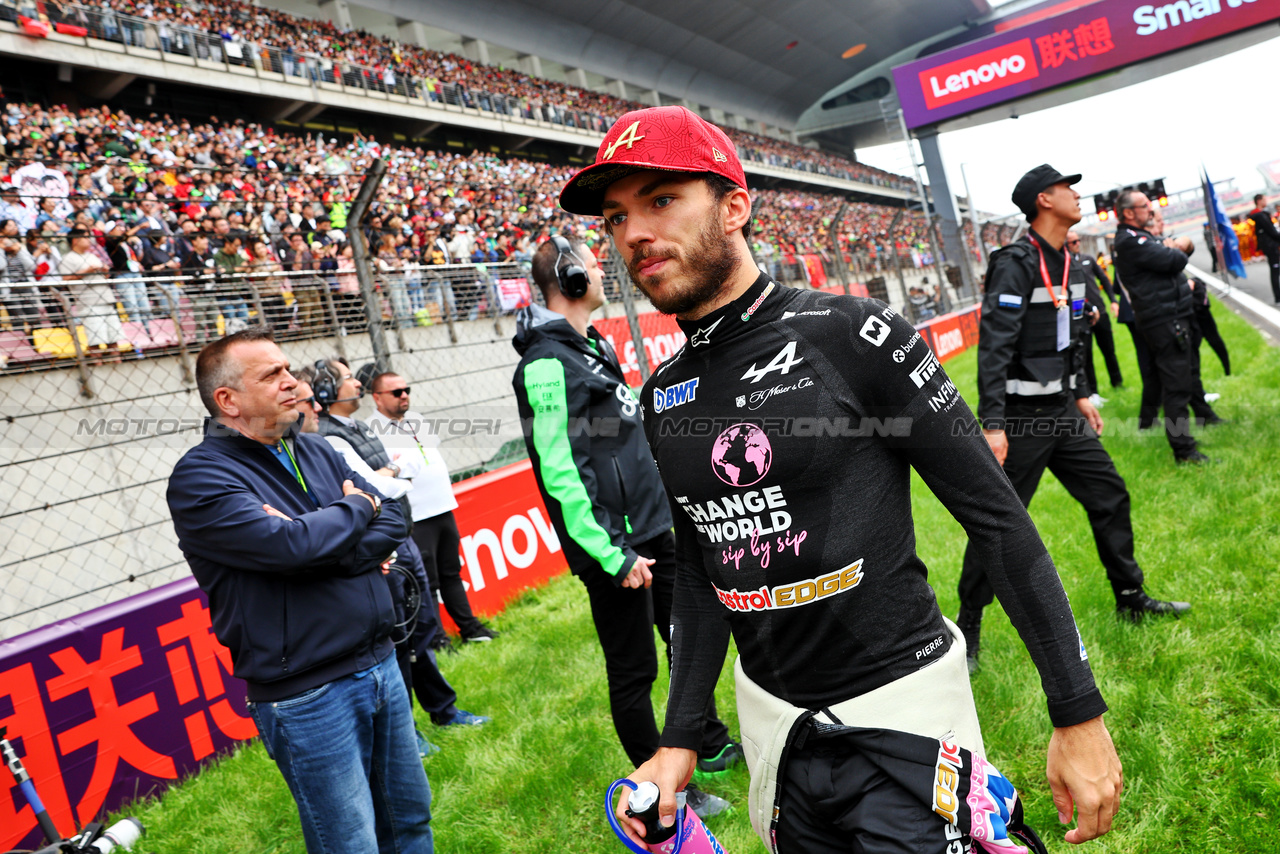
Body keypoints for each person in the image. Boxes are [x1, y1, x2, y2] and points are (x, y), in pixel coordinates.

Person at [560, 106, 1121, 852]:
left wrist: (1076, 710)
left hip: (905, 717)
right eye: (615, 216)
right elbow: (700, 573)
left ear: (734, 207)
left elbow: (995, 517)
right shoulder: (662, 395)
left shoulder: (857, 333)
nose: (632, 233)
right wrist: (679, 740)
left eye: (661, 200)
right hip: (779, 739)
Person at [165, 327, 434, 854]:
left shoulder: (315, 449)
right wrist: (356, 508)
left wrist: (325, 544)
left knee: (409, 823)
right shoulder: (200, 477)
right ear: (229, 400)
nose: (294, 383)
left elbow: (393, 518)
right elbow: (291, 547)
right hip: (308, 694)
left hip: (380, 663)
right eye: (273, 375)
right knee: (349, 843)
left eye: (289, 370)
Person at [511, 229, 740, 817]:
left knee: (687, 641)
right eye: (592, 265)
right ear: (570, 280)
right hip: (615, 548)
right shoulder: (544, 364)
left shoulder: (589, 348)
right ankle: (660, 794)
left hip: (650, 530)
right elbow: (561, 472)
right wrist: (611, 553)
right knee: (635, 669)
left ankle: (706, 743)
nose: (605, 273)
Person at [957, 166, 1190, 674]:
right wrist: (992, 423)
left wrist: (1082, 393)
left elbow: (1074, 338)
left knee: (1110, 495)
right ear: (1045, 200)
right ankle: (967, 624)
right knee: (1001, 528)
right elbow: (994, 347)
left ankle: (1130, 596)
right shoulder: (1016, 264)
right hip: (1020, 422)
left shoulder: (1075, 265)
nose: (1077, 193)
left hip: (1064, 413)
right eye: (1068, 188)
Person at [308, 357, 491, 735]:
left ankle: (443, 709)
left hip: (398, 533)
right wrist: (392, 473)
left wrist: (390, 476)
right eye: (346, 379)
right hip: (380, 547)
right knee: (403, 635)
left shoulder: (354, 426)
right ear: (326, 391)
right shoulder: (327, 435)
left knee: (418, 629)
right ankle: (408, 730)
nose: (355, 384)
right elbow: (367, 485)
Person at [366, 370, 498, 644]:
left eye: (407, 390)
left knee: (451, 572)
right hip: (416, 516)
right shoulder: (371, 431)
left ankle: (470, 629)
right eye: (396, 392)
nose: (404, 396)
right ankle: (436, 639)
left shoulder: (416, 420)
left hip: (443, 507)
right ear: (377, 398)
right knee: (427, 582)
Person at [1112, 191, 1215, 463]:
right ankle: (1184, 449)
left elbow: (1176, 253)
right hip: (1163, 321)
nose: (1151, 209)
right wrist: (1175, 249)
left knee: (1177, 383)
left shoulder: (1141, 237)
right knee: (1177, 388)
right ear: (1129, 212)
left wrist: (1175, 247)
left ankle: (1184, 442)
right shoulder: (1130, 240)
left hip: (1170, 317)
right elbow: (1174, 260)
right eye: (1145, 205)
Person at [1066, 230, 1123, 395]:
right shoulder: (1066, 264)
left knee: (1109, 350)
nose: (1078, 244)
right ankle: (1092, 392)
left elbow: (1104, 279)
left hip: (1101, 311)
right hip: (1081, 315)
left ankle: (1117, 382)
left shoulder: (1088, 259)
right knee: (1085, 356)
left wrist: (1113, 300)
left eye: (1078, 240)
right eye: (1074, 242)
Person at [57, 228, 123, 361]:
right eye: (86, 237)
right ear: (75, 240)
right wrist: (86, 271)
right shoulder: (67, 259)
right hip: (88, 302)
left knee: (113, 338)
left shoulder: (92, 256)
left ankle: (117, 362)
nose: (89, 240)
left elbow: (106, 276)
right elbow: (65, 279)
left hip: (106, 299)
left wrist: (104, 271)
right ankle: (97, 366)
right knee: (95, 340)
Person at [1246, 194, 1280, 304]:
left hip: (1267, 246)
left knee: (1275, 270)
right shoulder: (1260, 216)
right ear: (1259, 201)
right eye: (1265, 199)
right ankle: (1278, 296)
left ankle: (1278, 295)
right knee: (1275, 271)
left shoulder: (1257, 215)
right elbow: (1272, 232)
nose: (1267, 201)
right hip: (1271, 246)